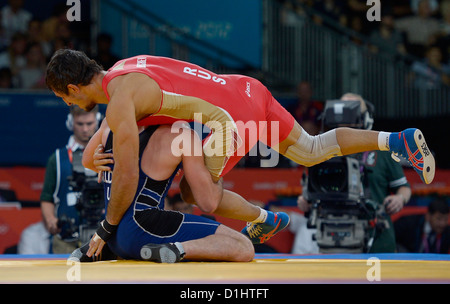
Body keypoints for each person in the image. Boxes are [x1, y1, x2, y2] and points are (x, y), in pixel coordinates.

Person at [45, 49, 435, 253]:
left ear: (75, 89)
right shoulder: (123, 70)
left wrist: (106, 227)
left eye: (64, 98)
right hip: (245, 88)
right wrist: (91, 151)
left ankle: (266, 219)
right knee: (314, 148)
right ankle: (395, 141)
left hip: (230, 117)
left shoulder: (119, 101)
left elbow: (125, 170)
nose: (67, 106)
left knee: (199, 194)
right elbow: (103, 135)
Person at [70, 120, 254, 262]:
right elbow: (208, 202)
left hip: (112, 235)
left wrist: (100, 160)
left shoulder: (112, 122)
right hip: (144, 230)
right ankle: (175, 250)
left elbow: (86, 161)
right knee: (244, 246)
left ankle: (101, 250)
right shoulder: (180, 133)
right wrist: (215, 166)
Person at [303, 93, 412, 253]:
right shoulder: (323, 149)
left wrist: (400, 198)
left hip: (377, 240)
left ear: (366, 117)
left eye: (352, 111)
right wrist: (305, 200)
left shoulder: (381, 149)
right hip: (334, 240)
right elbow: (312, 188)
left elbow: (404, 187)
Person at [40, 105, 100, 253]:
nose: (85, 129)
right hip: (65, 240)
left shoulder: (108, 156)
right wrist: (50, 220)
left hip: (101, 238)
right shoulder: (58, 159)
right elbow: (47, 197)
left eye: (89, 123)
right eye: (80, 124)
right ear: (70, 122)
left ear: (97, 122)